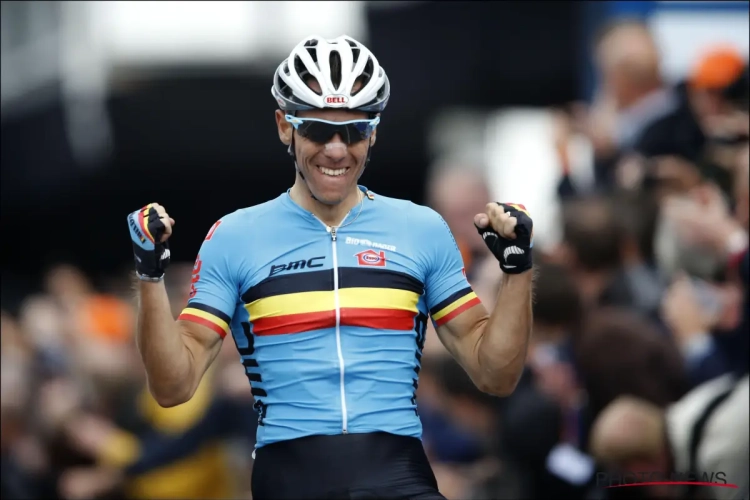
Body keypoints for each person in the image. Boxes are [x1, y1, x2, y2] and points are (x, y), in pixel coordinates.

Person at [125, 35, 534, 500]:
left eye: (355, 131)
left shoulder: (421, 229)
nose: (337, 150)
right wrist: (149, 277)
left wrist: (517, 270)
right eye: (318, 130)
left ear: (374, 131)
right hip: (291, 481)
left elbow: (496, 375)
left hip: (399, 476)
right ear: (285, 126)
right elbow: (173, 387)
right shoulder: (235, 237)